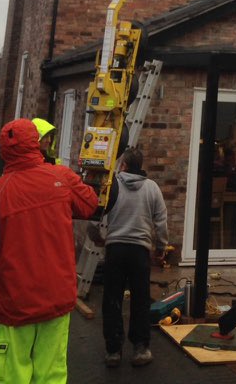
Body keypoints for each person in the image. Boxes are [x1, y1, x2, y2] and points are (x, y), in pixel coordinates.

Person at [0, 118, 98, 383]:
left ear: (4, 151)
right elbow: (90, 204)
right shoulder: (60, 177)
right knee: (52, 375)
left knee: (15, 375)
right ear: (37, 144)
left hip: (16, 305)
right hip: (58, 299)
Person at [102, 146, 168, 368]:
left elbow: (97, 213)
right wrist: (161, 247)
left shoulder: (112, 186)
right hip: (140, 251)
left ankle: (113, 350)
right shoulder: (152, 188)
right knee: (140, 300)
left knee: (112, 299)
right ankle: (141, 348)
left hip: (115, 249)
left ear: (124, 165)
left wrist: (99, 237)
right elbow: (161, 221)